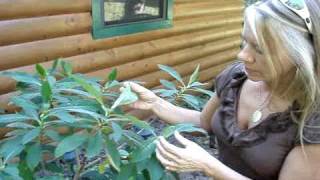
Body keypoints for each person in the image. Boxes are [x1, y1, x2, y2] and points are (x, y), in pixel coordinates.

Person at [123, 0, 320, 179]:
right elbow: (203, 122)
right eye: (244, 42)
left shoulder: (313, 120)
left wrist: (209, 166)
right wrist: (155, 104)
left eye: (260, 49)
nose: (242, 55)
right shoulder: (236, 77)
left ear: (302, 56)